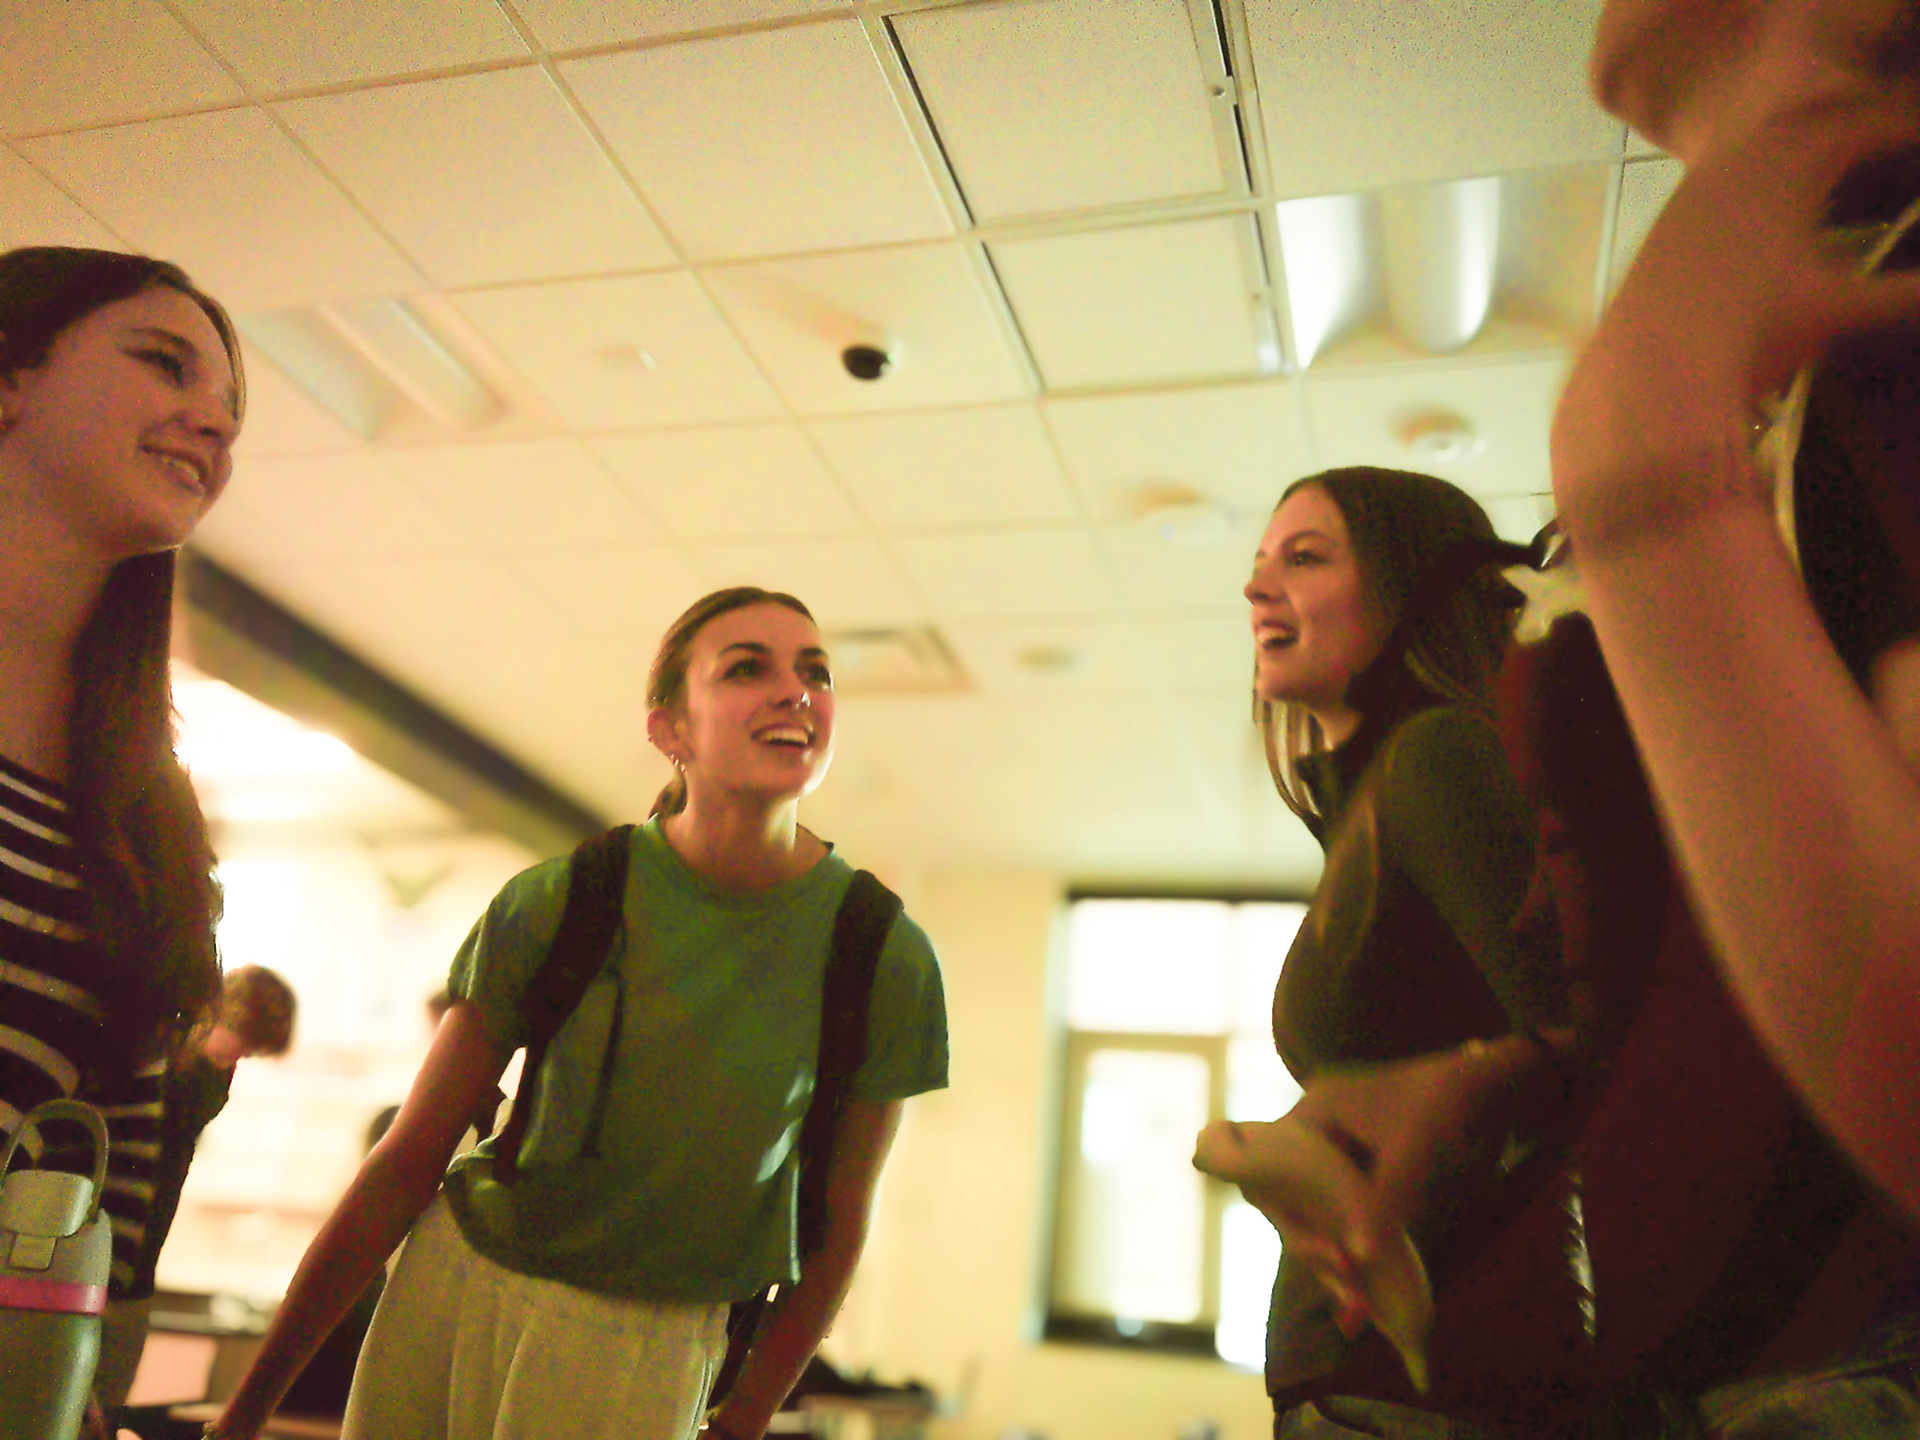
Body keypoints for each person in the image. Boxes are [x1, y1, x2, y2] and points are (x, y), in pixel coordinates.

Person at [208, 585, 950, 1440]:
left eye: (815, 673)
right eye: (748, 669)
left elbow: (837, 1232)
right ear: (670, 729)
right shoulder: (566, 898)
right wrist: (247, 1410)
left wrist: (745, 1418)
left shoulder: (878, 953)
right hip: (457, 1289)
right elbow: (405, 1163)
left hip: (654, 1340)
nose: (796, 692)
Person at [1200, 467, 1577, 1439]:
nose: (1256, 586)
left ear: (1411, 585)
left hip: (1435, 1375)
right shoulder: (1374, 803)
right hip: (1368, 1376)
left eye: (1305, 557)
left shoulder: (1435, 757)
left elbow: (1581, 1046)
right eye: (1261, 561)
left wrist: (1452, 1093)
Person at [0, 244, 241, 1436]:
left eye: (232, 412)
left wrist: (82, 1400)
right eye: (164, 363)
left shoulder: (143, 812)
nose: (215, 424)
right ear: (12, 378)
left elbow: (112, 1186)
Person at [95, 967, 298, 1412]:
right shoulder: (169, 1065)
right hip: (116, 1236)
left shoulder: (205, 1071)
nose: (239, 1055)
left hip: (140, 1247)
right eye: (241, 1039)